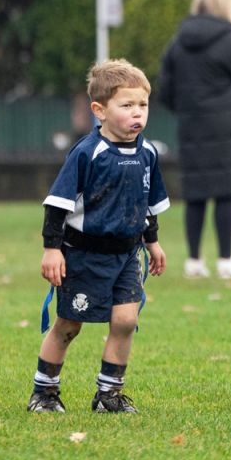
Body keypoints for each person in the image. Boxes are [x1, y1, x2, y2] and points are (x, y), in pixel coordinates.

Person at [29, 60, 170, 413]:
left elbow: (147, 203)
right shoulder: (87, 153)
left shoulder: (148, 153)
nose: (137, 113)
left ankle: (108, 395)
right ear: (99, 110)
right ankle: (44, 393)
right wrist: (52, 250)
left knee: (126, 321)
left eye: (143, 105)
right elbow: (57, 206)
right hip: (82, 256)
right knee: (69, 325)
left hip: (127, 256)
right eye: (127, 105)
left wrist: (152, 243)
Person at [158, 0, 231, 280]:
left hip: (192, 125)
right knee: (224, 192)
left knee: (196, 192)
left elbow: (165, 90)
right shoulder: (230, 38)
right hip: (228, 127)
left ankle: (194, 261)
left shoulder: (178, 41)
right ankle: (226, 260)